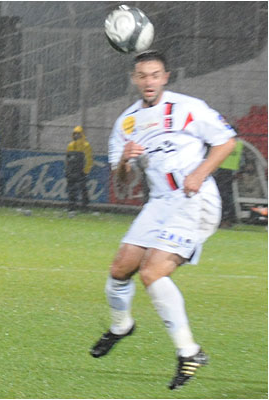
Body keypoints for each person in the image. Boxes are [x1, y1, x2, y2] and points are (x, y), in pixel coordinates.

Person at [91, 50, 236, 390]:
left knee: (152, 272)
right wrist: (126, 161)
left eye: (155, 75)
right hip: (158, 202)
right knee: (120, 269)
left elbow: (226, 141)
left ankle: (189, 352)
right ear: (134, 79)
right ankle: (121, 325)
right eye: (142, 75)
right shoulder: (126, 124)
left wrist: (200, 172)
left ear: (166, 77)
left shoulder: (188, 108)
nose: (148, 81)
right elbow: (123, 185)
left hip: (193, 200)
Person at [213, 138, 243, 228]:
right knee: (226, 196)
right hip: (227, 172)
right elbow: (241, 159)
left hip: (222, 172)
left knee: (223, 196)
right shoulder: (238, 143)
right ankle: (226, 219)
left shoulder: (220, 141)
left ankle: (224, 219)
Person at [65, 125, 93, 211]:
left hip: (81, 171)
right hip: (72, 171)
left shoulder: (86, 145)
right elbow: (67, 159)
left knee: (83, 189)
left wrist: (86, 171)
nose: (76, 136)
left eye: (78, 134)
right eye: (75, 134)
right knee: (71, 189)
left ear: (82, 134)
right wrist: (67, 170)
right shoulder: (70, 145)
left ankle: (84, 206)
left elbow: (89, 159)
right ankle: (72, 206)